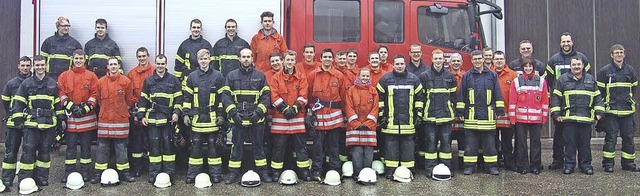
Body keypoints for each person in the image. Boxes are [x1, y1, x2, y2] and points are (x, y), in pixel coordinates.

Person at [12, 55, 66, 186]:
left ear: (46, 65)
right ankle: (26, 178)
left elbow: (58, 105)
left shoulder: (53, 84)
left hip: (48, 124)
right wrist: (18, 119)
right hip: (31, 124)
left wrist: (61, 121)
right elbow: (19, 102)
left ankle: (42, 178)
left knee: (44, 152)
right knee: (28, 151)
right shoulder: (26, 83)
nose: (40, 67)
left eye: (42, 65)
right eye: (37, 65)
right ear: (34, 66)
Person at [221, 48, 271, 184]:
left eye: (248, 56)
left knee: (259, 146)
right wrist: (233, 114)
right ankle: (233, 173)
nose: (246, 59)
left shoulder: (260, 76)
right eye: (244, 57)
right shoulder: (231, 76)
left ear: (252, 59)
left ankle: (263, 173)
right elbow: (226, 97)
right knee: (236, 147)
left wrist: (258, 113)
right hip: (238, 117)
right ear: (239, 59)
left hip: (256, 118)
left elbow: (266, 97)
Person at [545, 32, 591, 170]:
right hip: (561, 104)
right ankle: (558, 161)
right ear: (560, 43)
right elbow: (548, 83)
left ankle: (579, 163)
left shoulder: (582, 58)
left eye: (568, 41)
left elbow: (588, 79)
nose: (566, 44)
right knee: (559, 135)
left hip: (579, 104)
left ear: (572, 42)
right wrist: (553, 106)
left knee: (579, 137)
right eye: (563, 42)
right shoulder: (553, 60)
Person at [550, 56, 603, 175]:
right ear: (570, 66)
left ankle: (586, 165)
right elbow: (556, 98)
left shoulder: (590, 79)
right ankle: (569, 165)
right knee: (569, 143)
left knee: (585, 144)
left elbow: (598, 97)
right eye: (574, 65)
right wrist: (556, 113)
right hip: (569, 118)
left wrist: (599, 112)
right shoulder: (562, 80)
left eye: (578, 64)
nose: (576, 67)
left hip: (585, 118)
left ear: (583, 65)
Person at [456, 50, 504, 175]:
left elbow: (497, 93)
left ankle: (491, 166)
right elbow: (461, 95)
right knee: (470, 145)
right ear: (471, 61)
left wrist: (499, 109)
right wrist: (460, 111)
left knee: (490, 144)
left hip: (488, 115)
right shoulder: (466, 76)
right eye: (475, 59)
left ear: (483, 59)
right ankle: (469, 167)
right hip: (471, 115)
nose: (477, 61)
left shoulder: (492, 75)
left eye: (479, 58)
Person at [183, 49, 227, 184]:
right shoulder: (192, 76)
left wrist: (221, 115)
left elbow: (222, 98)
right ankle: (192, 174)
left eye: (206, 59)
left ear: (210, 60)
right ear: (198, 60)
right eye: (201, 59)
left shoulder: (218, 76)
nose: (203, 61)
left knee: (213, 147)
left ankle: (215, 174)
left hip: (212, 118)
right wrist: (185, 114)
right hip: (196, 118)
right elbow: (187, 97)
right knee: (195, 146)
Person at [137, 54, 183, 183]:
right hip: (152, 120)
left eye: (163, 64)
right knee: (154, 147)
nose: (160, 66)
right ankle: (154, 175)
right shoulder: (148, 81)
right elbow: (143, 100)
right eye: (158, 63)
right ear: (155, 64)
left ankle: (169, 175)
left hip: (168, 120)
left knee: (169, 148)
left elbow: (179, 100)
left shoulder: (174, 80)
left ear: (166, 64)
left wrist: (176, 113)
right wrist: (141, 116)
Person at [377, 55, 424, 178]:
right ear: (393, 65)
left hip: (408, 122)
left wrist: (418, 115)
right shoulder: (385, 79)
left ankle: (408, 169)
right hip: (390, 122)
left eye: (402, 64)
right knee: (390, 146)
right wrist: (382, 116)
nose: (400, 66)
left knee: (408, 145)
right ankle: (391, 170)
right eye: (397, 64)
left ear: (405, 64)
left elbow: (420, 98)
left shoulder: (414, 79)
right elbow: (379, 99)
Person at [269, 50, 312, 181]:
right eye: (287, 60)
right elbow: (273, 96)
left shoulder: (301, 77)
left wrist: (294, 108)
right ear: (283, 61)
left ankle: (303, 171)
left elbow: (304, 96)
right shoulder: (276, 77)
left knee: (301, 147)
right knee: (279, 147)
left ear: (295, 61)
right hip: (280, 118)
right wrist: (285, 109)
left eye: (292, 60)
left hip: (297, 117)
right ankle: (275, 172)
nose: (289, 62)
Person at [92, 57, 136, 183]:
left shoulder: (126, 81)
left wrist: (121, 111)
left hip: (120, 120)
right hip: (105, 119)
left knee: (121, 148)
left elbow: (129, 101)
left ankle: (124, 173)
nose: (113, 66)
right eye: (111, 64)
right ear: (107, 66)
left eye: (115, 64)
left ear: (119, 66)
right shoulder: (100, 82)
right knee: (102, 147)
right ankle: (98, 173)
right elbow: (99, 100)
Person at [596, 44, 640, 172]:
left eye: (621, 52)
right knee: (611, 139)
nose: (619, 54)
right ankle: (608, 164)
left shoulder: (630, 71)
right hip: (611, 112)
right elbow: (600, 92)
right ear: (611, 55)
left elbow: (634, 88)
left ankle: (629, 163)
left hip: (627, 112)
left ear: (624, 54)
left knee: (628, 138)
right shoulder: (604, 71)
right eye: (616, 52)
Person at [58, 49, 99, 182]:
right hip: (71, 120)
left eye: (81, 58)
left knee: (86, 147)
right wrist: (71, 106)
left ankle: (85, 172)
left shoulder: (91, 76)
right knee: (70, 148)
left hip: (87, 119)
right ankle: (68, 173)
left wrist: (85, 108)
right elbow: (61, 93)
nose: (78, 61)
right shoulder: (64, 76)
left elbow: (95, 95)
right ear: (72, 59)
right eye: (76, 58)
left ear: (85, 59)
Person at [306, 48, 346, 181]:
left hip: (334, 115)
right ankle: (317, 171)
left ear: (333, 59)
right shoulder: (313, 75)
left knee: (334, 145)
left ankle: (335, 171)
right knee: (318, 146)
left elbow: (343, 96)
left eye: (330, 57)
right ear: (321, 58)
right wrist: (311, 110)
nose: (327, 59)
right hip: (318, 115)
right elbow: (309, 94)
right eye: (325, 57)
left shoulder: (339, 75)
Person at [418, 49, 457, 177]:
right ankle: (430, 169)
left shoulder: (450, 77)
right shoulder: (424, 76)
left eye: (441, 58)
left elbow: (453, 97)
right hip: (430, 116)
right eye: (436, 58)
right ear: (432, 59)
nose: (439, 61)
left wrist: (454, 111)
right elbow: (420, 97)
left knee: (446, 145)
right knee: (431, 144)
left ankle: (446, 168)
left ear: (444, 60)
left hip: (446, 117)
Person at [508, 58, 549, 175]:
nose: (528, 68)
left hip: (536, 119)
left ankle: (535, 166)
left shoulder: (541, 81)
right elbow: (513, 101)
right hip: (520, 119)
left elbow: (545, 100)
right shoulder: (516, 81)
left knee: (536, 143)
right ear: (522, 68)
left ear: (534, 67)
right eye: (526, 66)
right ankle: (522, 166)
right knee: (521, 143)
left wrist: (544, 117)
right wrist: (512, 118)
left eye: (530, 66)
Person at [1, 56, 32, 187]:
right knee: (11, 151)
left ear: (31, 67)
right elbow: (5, 101)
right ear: (18, 66)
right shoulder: (11, 83)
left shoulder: (34, 82)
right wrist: (14, 113)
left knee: (28, 151)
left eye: (27, 65)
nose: (25, 68)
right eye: (23, 65)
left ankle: (25, 179)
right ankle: (7, 179)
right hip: (13, 123)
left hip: (30, 123)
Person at [126, 47, 156, 177]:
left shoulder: (155, 71)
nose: (142, 58)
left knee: (152, 140)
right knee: (137, 141)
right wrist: (136, 106)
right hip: (138, 112)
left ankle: (151, 168)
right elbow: (129, 94)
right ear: (137, 57)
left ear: (148, 56)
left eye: (144, 56)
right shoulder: (132, 74)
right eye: (139, 56)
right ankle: (137, 168)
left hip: (153, 112)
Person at [345, 68, 379, 180]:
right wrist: (356, 123)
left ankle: (367, 175)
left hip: (369, 128)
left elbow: (375, 108)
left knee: (369, 153)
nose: (365, 78)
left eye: (367, 76)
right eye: (363, 76)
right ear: (358, 76)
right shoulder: (351, 90)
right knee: (357, 152)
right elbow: (348, 107)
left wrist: (368, 123)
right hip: (355, 128)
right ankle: (357, 174)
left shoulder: (373, 91)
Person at [490, 51, 518, 171]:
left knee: (507, 142)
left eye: (501, 59)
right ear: (492, 61)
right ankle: (494, 163)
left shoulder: (513, 75)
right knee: (493, 142)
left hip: (507, 114)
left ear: (505, 60)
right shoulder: (488, 74)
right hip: (492, 115)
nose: (499, 61)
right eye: (496, 59)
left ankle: (509, 163)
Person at [41, 16, 82, 81]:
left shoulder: (75, 44)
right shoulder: (48, 42)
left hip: (68, 78)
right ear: (58, 27)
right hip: (51, 78)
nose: (66, 28)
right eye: (64, 26)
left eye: (68, 26)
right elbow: (42, 61)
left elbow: (79, 63)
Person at [448, 53, 466, 167]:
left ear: (461, 62)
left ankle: (462, 164)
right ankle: (448, 164)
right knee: (447, 139)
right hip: (449, 112)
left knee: (463, 139)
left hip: (462, 112)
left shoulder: (466, 76)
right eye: (453, 61)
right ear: (449, 63)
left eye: (458, 61)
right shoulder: (446, 75)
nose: (455, 63)